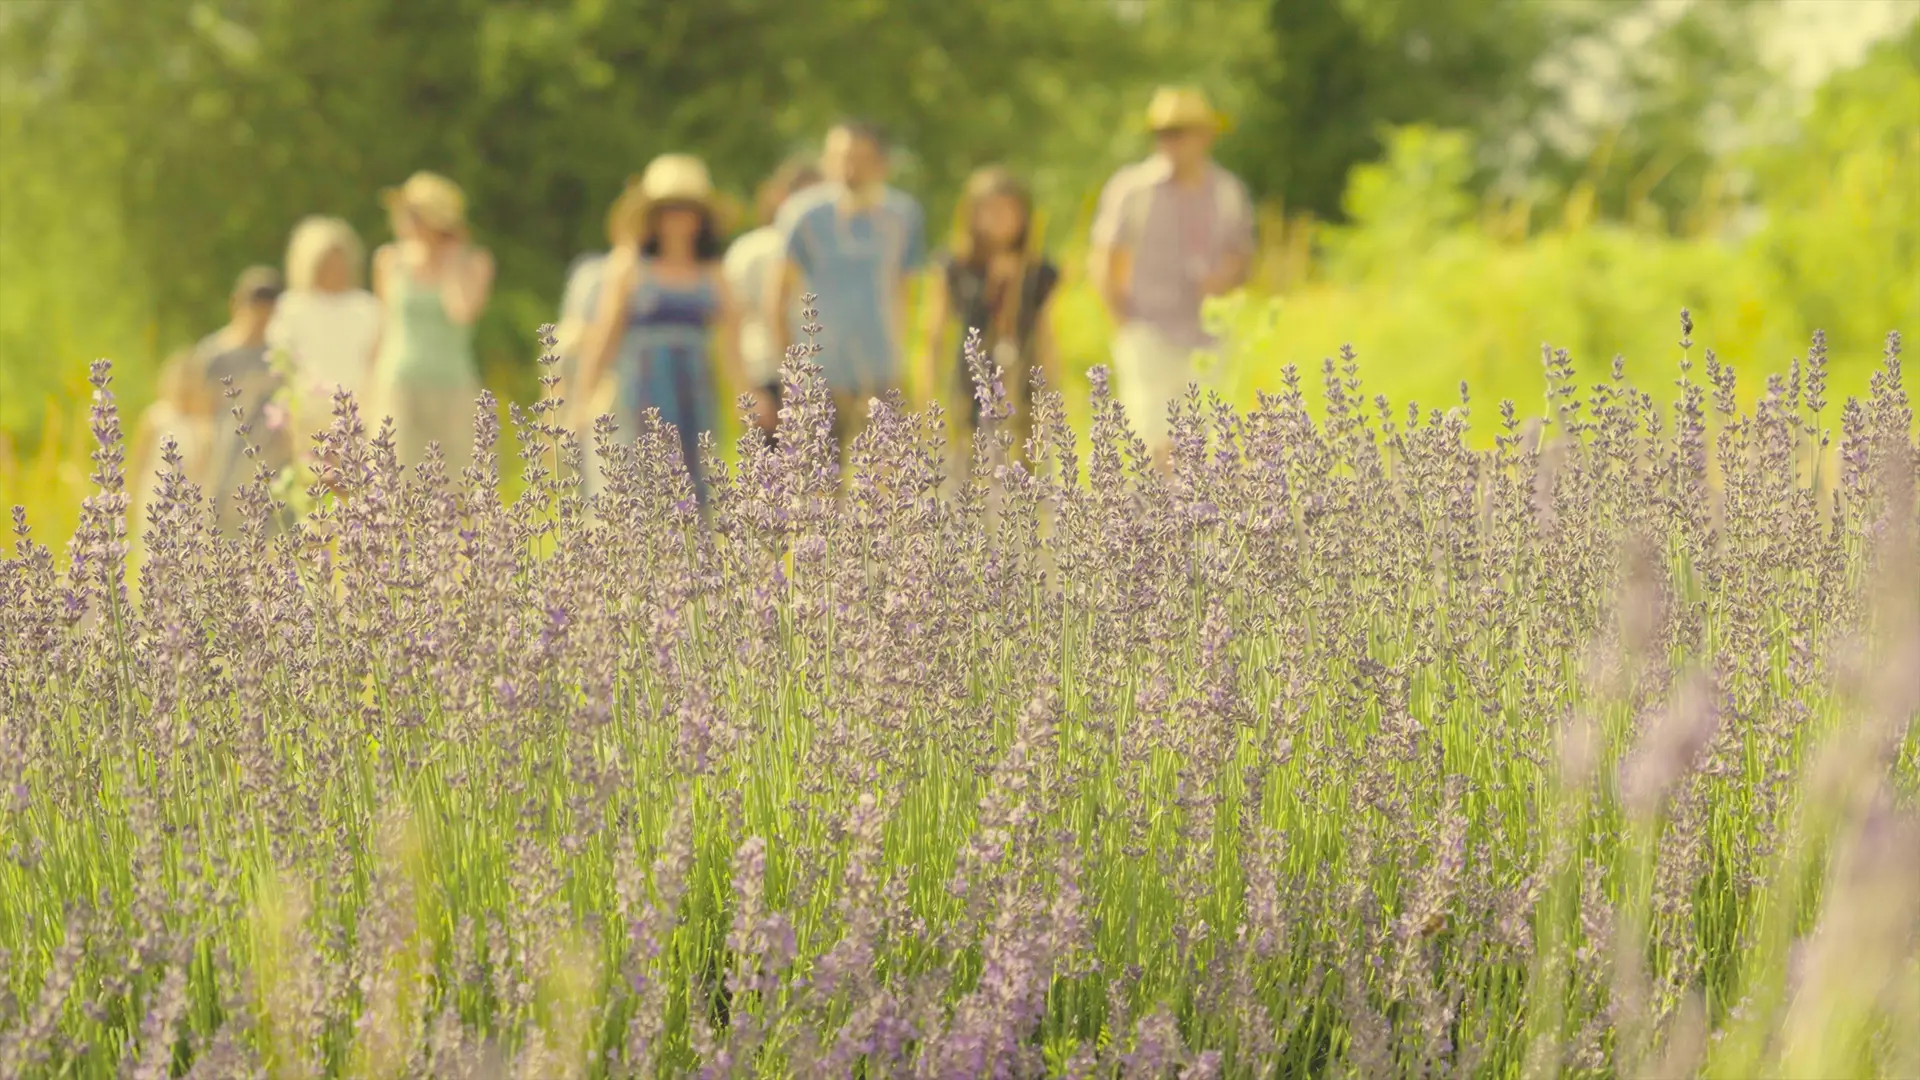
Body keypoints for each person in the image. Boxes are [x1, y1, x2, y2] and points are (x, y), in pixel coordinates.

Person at [574, 153, 760, 510]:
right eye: (669, 211)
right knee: (641, 477)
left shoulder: (713, 274)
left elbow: (732, 345)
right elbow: (604, 339)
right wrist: (582, 399)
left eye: (686, 211)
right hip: (642, 386)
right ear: (654, 219)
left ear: (700, 219)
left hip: (693, 386)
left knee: (694, 478)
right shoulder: (628, 269)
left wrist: (745, 397)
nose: (678, 221)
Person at [1088, 86, 1256, 465]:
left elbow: (1242, 255)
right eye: (1162, 133)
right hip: (1148, 327)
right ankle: (1155, 520)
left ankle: (1192, 520)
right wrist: (1121, 321)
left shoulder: (1228, 191)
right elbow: (1103, 257)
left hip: (1207, 334)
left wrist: (1224, 279)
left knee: (1203, 443)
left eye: (1179, 132)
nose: (1169, 141)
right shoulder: (1132, 188)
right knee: (1150, 438)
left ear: (1205, 135)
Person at [767, 119, 927, 459]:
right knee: (822, 490)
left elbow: (905, 295)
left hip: (881, 372)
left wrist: (904, 362)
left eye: (860, 157)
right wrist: (791, 376)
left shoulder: (904, 215)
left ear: (881, 163)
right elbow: (776, 300)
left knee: (889, 487)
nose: (849, 168)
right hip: (818, 375)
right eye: (840, 157)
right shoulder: (803, 215)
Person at [918, 165, 1061, 453]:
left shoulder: (1038, 272)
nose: (1000, 219)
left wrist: (1053, 397)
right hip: (969, 386)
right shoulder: (955, 267)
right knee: (972, 477)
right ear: (972, 214)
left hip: (1023, 385)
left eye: (1009, 210)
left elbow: (1048, 337)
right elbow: (934, 334)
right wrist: (926, 398)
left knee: (1023, 478)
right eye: (990, 210)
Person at [369, 171, 494, 473]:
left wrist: (451, 261)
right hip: (399, 382)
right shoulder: (389, 261)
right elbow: (384, 328)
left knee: (456, 480)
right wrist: (367, 393)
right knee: (397, 480)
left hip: (453, 384)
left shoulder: (475, 262)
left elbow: (462, 313)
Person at [724, 155, 824, 446]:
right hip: (765, 374)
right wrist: (744, 390)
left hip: (820, 377)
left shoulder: (828, 254)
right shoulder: (751, 251)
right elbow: (730, 325)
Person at [266, 216, 382, 438]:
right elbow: (282, 362)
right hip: (308, 415)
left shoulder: (367, 308)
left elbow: (376, 362)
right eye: (327, 262)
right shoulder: (292, 308)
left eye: (340, 261)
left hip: (358, 413)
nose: (335, 269)